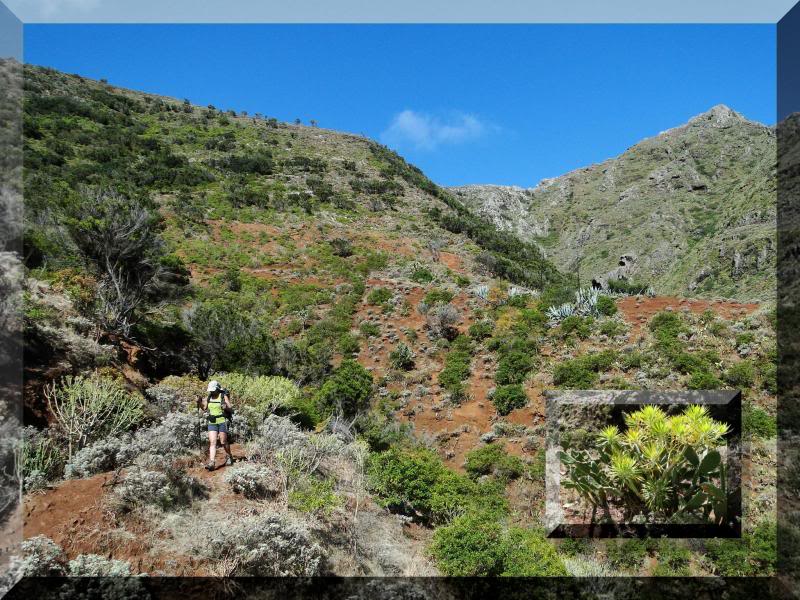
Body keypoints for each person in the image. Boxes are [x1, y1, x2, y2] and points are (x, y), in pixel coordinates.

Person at [201, 380, 234, 471]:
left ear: (217, 389)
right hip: (212, 421)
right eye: (210, 390)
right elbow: (204, 408)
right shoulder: (209, 397)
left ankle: (229, 456)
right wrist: (199, 402)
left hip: (222, 421)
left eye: (213, 390)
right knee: (213, 442)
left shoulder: (223, 396)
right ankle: (212, 462)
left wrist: (225, 407)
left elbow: (231, 409)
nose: (211, 391)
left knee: (223, 441)